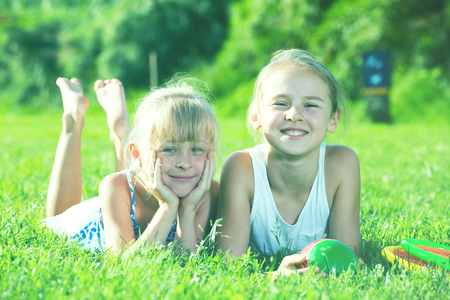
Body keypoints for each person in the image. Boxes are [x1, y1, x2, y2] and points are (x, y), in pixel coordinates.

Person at [216, 49, 361, 276]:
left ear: (333, 119)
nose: (294, 114)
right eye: (281, 103)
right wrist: (278, 277)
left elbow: (347, 258)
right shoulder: (241, 168)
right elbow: (228, 267)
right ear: (256, 117)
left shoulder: (341, 164)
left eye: (311, 105)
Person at [43, 77, 220, 255]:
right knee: (55, 220)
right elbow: (126, 265)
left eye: (197, 149)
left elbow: (186, 260)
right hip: (96, 217)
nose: (184, 163)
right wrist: (167, 207)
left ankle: (121, 129)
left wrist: (187, 210)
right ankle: (73, 118)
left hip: (123, 204)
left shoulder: (208, 193)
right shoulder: (114, 186)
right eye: (169, 149)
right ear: (137, 154)